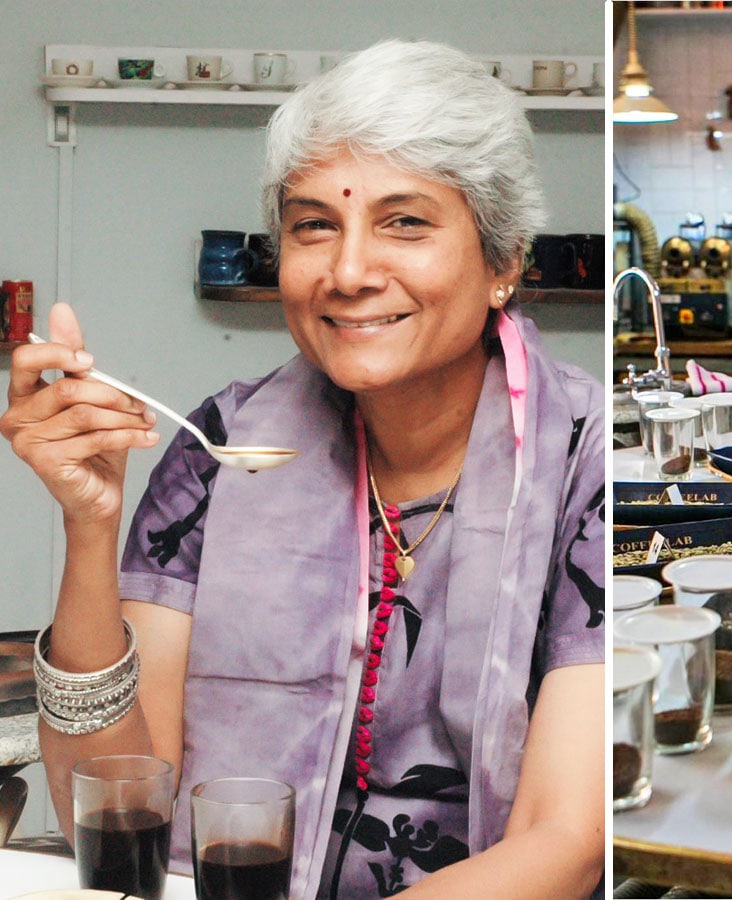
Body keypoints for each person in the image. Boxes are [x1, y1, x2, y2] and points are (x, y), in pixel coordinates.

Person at [1, 39, 604, 899]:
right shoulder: (222, 446)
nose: (350, 272)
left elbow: (566, 841)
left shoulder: (591, 462)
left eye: (405, 222)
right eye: (314, 224)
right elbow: (116, 806)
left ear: (503, 261)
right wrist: (90, 527)